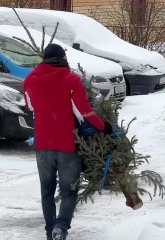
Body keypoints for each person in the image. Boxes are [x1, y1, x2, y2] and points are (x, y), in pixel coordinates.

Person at [23, 43, 112, 240]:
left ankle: (49, 232)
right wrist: (103, 126)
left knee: (46, 191)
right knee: (68, 191)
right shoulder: (70, 79)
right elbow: (84, 111)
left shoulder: (30, 80)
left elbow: (30, 106)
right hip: (67, 144)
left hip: (43, 145)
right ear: (63, 58)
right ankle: (61, 228)